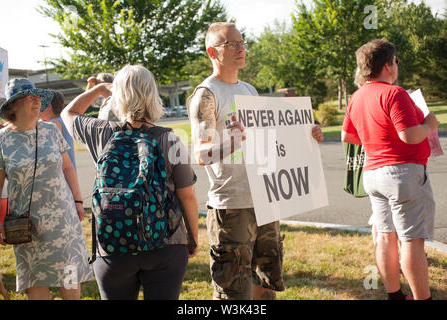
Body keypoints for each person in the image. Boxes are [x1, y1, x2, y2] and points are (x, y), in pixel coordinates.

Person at [187, 22, 324, 300]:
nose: (241, 48)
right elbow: (201, 154)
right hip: (232, 206)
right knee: (232, 292)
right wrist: (231, 144)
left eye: (242, 42)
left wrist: (305, 137)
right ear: (213, 52)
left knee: (265, 284)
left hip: (265, 200)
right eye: (232, 44)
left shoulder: (249, 90)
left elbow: (269, 139)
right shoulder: (206, 95)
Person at [61, 64, 199, 300]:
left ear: (118, 96)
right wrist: (192, 238)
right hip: (165, 243)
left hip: (113, 244)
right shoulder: (170, 139)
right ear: (153, 94)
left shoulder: (100, 133)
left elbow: (68, 114)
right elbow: (187, 195)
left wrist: (99, 89)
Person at [341, 39, 438, 300]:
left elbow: (347, 136)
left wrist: (378, 139)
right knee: (411, 240)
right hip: (404, 174)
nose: (397, 66)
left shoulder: (357, 96)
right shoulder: (395, 93)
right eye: (395, 61)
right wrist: (430, 124)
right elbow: (409, 135)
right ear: (387, 66)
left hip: (373, 174)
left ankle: (394, 295)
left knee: (385, 237)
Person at [0, 78, 93, 300]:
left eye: (38, 97)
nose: (36, 101)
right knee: (36, 280)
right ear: (14, 105)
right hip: (25, 224)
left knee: (69, 279)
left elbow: (68, 168)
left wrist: (78, 202)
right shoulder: (1, 140)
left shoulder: (51, 130)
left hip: (63, 220)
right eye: (30, 97)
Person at [39, 90, 76, 169]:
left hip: (60, 175)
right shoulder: (63, 120)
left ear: (48, 107)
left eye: (39, 104)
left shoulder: (53, 124)